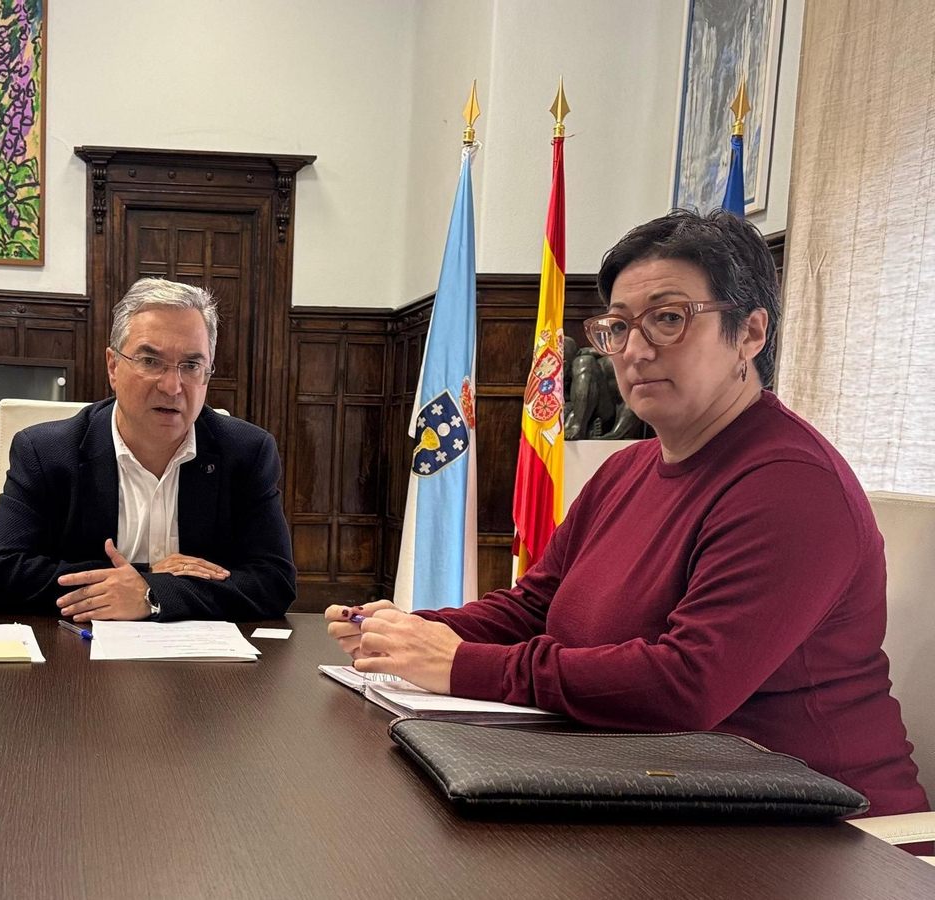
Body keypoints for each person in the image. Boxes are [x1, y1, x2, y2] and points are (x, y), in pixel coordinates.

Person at [329, 209, 927, 818]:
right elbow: (533, 606)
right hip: (661, 784)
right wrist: (410, 630)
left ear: (749, 333)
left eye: (667, 319)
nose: (635, 351)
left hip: (819, 827)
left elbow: (686, 685)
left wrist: (460, 664)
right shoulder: (625, 468)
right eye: (618, 327)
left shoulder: (791, 485)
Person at [0, 277, 295, 621]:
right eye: (150, 361)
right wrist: (148, 577)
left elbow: (274, 583)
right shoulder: (45, 451)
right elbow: (0, 577)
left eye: (191, 366)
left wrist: (151, 594)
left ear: (206, 375)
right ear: (113, 367)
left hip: (199, 664)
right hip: (79, 662)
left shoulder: (247, 453)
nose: (172, 386)